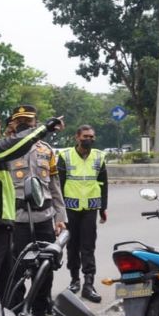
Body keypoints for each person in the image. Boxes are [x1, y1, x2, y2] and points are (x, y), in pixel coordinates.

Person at [0, 104, 63, 311]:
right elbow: (11, 147)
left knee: (4, 288)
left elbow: (53, 185)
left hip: (2, 228)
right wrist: (45, 128)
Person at [5, 105, 67, 316]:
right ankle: (16, 313)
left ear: (35, 123)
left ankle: (41, 312)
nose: (24, 125)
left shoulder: (46, 150)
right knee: (17, 270)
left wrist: (61, 217)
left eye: (28, 121)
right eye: (20, 121)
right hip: (18, 219)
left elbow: (55, 186)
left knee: (45, 267)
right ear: (13, 123)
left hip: (44, 218)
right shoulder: (7, 149)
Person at [57, 125, 108, 303]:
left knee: (88, 246)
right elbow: (59, 185)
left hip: (90, 207)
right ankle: (74, 280)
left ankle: (88, 283)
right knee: (72, 246)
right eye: (86, 136)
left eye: (92, 136)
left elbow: (103, 184)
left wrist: (103, 209)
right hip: (70, 207)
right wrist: (59, 213)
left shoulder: (99, 156)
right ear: (77, 137)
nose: (89, 139)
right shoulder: (65, 156)